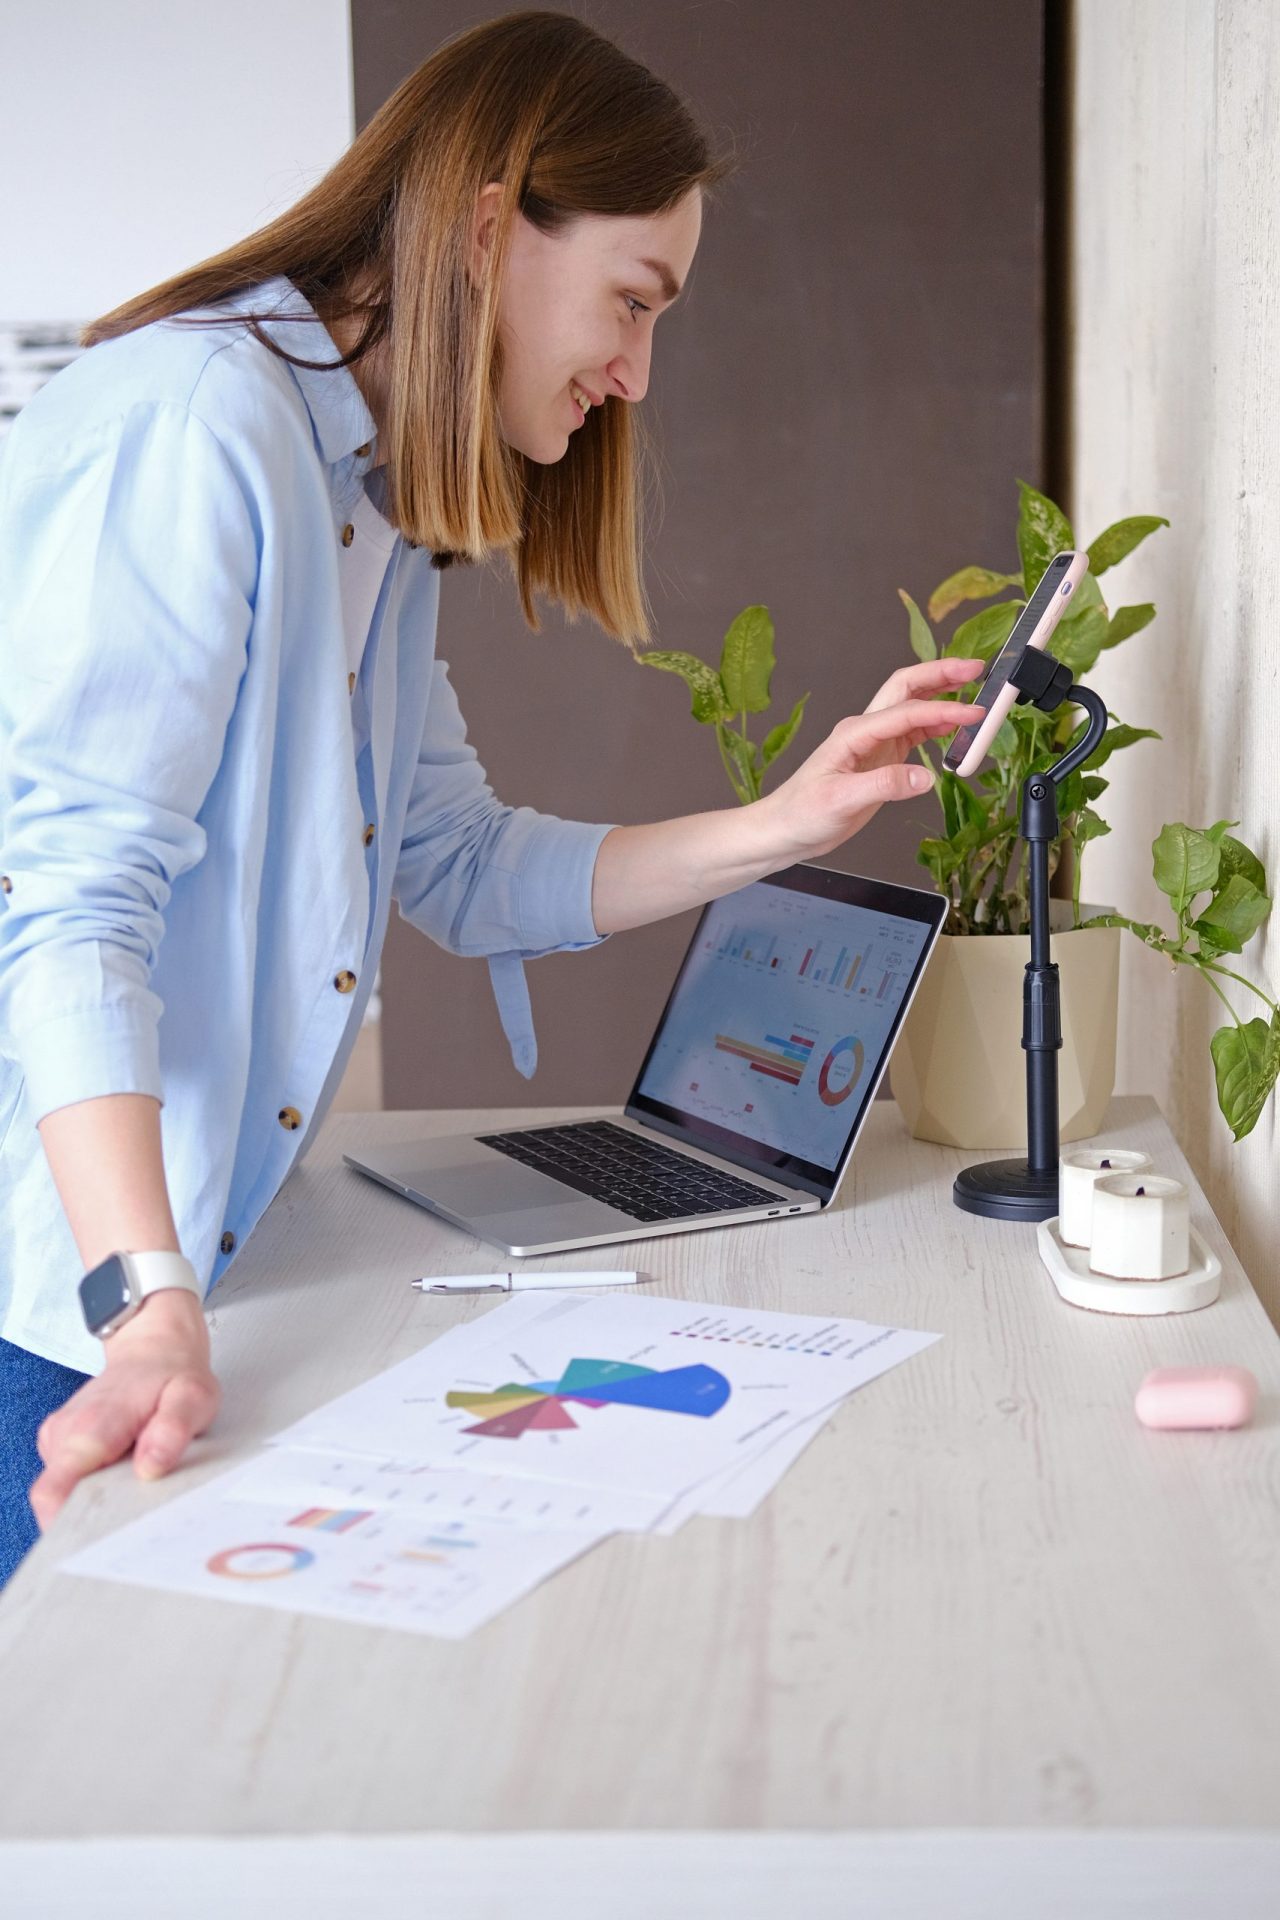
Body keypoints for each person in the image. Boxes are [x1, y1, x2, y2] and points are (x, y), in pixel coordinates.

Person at [0, 9, 984, 1587]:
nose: (639, 372)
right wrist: (145, 1291)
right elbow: (68, 905)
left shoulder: (371, 508)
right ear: (483, 233)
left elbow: (458, 862)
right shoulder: (203, 427)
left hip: (171, 1283)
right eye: (630, 302)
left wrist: (789, 823)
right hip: (65, 1302)